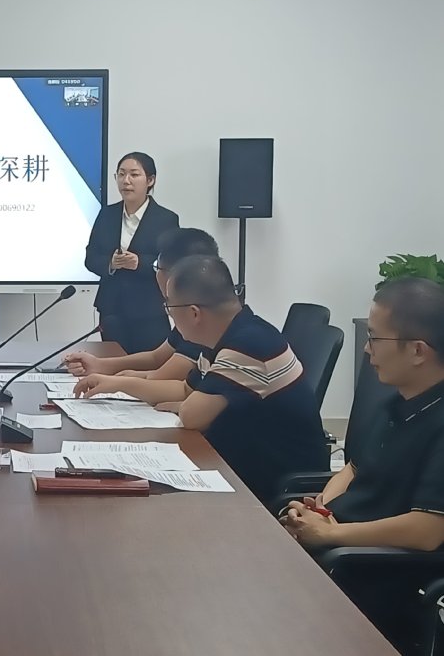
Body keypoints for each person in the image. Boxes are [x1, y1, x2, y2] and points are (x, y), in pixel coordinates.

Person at [75, 256, 328, 502]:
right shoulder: (226, 335)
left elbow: (191, 415)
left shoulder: (250, 345)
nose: (170, 316)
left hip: (275, 486)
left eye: (169, 307)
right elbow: (185, 390)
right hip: (240, 461)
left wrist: (186, 403)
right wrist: (118, 383)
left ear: (194, 313)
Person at [280, 278, 444, 656]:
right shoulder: (398, 402)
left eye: (375, 338)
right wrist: (320, 510)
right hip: (339, 552)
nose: (368, 349)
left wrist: (332, 535)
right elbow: (353, 467)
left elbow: (427, 530)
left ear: (417, 350)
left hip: (376, 577)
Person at [65, 227, 218, 381]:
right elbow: (156, 358)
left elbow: (169, 380)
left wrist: (116, 380)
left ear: (176, 273)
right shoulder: (204, 305)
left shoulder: (199, 319)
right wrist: (99, 365)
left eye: (157, 267)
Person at [84, 152, 179, 352]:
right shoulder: (107, 214)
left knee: (148, 365)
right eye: (121, 174)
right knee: (113, 364)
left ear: (150, 180)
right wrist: (111, 263)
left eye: (134, 175)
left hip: (149, 311)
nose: (126, 181)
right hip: (112, 310)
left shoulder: (165, 219)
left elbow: (172, 263)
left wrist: (140, 263)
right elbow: (91, 258)